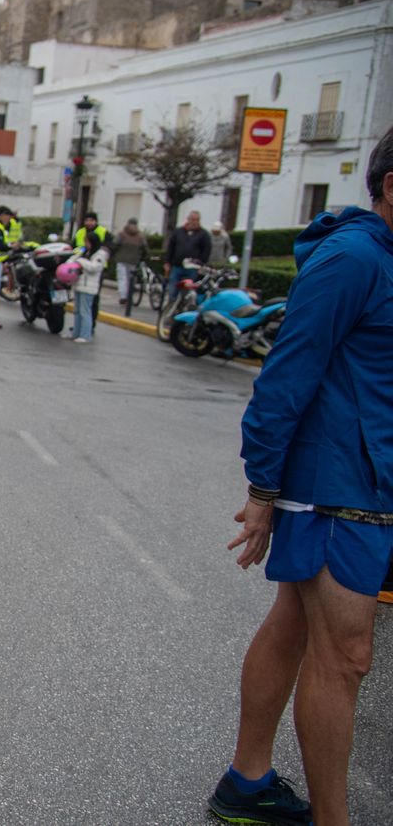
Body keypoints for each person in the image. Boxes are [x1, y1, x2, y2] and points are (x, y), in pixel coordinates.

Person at [211, 128, 393, 826]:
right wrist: (262, 489)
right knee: (344, 656)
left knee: (294, 626)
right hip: (337, 487)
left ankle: (246, 781)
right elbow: (285, 375)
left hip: (364, 481)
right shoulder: (352, 259)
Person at [163, 210, 211, 306]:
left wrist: (201, 265)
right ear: (188, 219)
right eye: (192, 219)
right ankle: (171, 306)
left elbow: (206, 251)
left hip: (193, 268)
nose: (194, 222)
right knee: (173, 289)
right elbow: (171, 247)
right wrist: (167, 262)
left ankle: (186, 306)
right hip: (177, 266)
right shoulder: (178, 232)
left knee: (190, 291)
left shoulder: (204, 234)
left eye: (196, 220)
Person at [70, 229, 109, 343]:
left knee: (85, 311)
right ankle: (76, 333)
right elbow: (73, 260)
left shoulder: (99, 255)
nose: (86, 244)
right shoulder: (84, 252)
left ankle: (85, 335)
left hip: (89, 287)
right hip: (79, 284)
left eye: (88, 242)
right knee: (77, 311)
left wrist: (81, 261)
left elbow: (94, 268)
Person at [113, 219, 148, 305]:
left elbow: (115, 245)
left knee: (122, 278)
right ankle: (128, 296)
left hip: (121, 259)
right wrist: (143, 257)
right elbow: (145, 248)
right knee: (130, 279)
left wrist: (113, 255)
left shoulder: (121, 234)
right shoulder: (140, 236)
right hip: (133, 260)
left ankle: (123, 297)